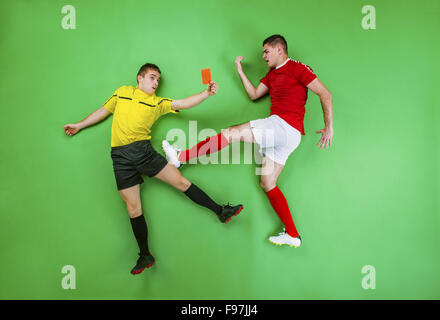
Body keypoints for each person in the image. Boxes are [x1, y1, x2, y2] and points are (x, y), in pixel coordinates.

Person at [63, 63, 243, 275]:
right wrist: (80, 125)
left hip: (143, 152)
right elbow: (103, 111)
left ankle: (221, 211)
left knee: (182, 183)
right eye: (152, 77)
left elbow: (184, 103)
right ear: (140, 78)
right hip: (120, 158)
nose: (156, 82)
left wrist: (205, 93)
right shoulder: (122, 93)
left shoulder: (157, 103)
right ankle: (145, 255)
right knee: (133, 209)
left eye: (158, 80)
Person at [162, 35, 333, 248]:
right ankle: (292, 234)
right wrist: (240, 70)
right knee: (267, 182)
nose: (263, 56)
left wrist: (329, 127)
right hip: (288, 136)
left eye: (266, 52)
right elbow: (254, 95)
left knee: (231, 133)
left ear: (279, 49)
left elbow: (325, 94)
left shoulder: (298, 68)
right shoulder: (272, 74)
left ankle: (179, 157)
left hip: (283, 125)